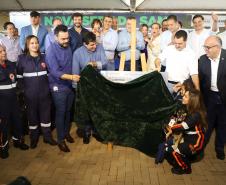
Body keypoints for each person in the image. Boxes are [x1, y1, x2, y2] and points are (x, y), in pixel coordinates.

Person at [17, 35, 57, 149]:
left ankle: (47, 137)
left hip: (45, 94)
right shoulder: (22, 59)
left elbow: (50, 75)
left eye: (36, 43)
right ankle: (33, 139)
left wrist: (50, 89)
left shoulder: (45, 57)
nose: (35, 45)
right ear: (27, 45)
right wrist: (24, 92)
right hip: (30, 96)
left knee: (46, 117)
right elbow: (19, 78)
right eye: (32, 43)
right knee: (32, 118)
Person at [46, 25, 80, 152]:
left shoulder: (68, 46)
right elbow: (55, 72)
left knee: (68, 111)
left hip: (69, 85)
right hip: (58, 87)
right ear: (56, 37)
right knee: (60, 112)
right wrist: (72, 77)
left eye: (67, 38)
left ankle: (66, 133)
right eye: (63, 39)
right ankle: (61, 140)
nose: (66, 41)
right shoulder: (51, 51)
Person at [72, 31, 107, 144]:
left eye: (95, 44)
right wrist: (76, 89)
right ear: (84, 44)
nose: (94, 46)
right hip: (84, 87)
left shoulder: (100, 47)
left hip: (98, 85)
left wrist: (95, 64)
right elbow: (75, 72)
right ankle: (87, 132)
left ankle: (97, 132)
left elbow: (105, 62)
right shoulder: (77, 53)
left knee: (98, 109)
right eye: (91, 45)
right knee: (86, 110)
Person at [165, 90, 207, 174]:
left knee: (174, 150)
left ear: (192, 100)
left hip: (195, 142)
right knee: (169, 149)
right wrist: (173, 120)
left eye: (185, 96)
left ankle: (185, 168)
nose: (182, 97)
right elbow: (177, 117)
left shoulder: (196, 115)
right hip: (188, 138)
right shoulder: (188, 108)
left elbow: (182, 126)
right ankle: (184, 159)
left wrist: (170, 127)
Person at [199, 35, 226, 160]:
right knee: (207, 124)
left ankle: (219, 148)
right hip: (209, 97)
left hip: (224, 97)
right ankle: (200, 148)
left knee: (222, 124)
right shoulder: (203, 60)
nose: (206, 50)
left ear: (217, 47)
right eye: (205, 47)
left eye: (208, 47)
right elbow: (197, 78)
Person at [0, 44, 29, 159]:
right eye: (1, 51)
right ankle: (3, 147)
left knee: (17, 121)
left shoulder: (11, 65)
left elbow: (16, 81)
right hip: (2, 103)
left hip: (14, 100)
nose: (4, 53)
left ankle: (18, 141)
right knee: (3, 126)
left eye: (4, 50)